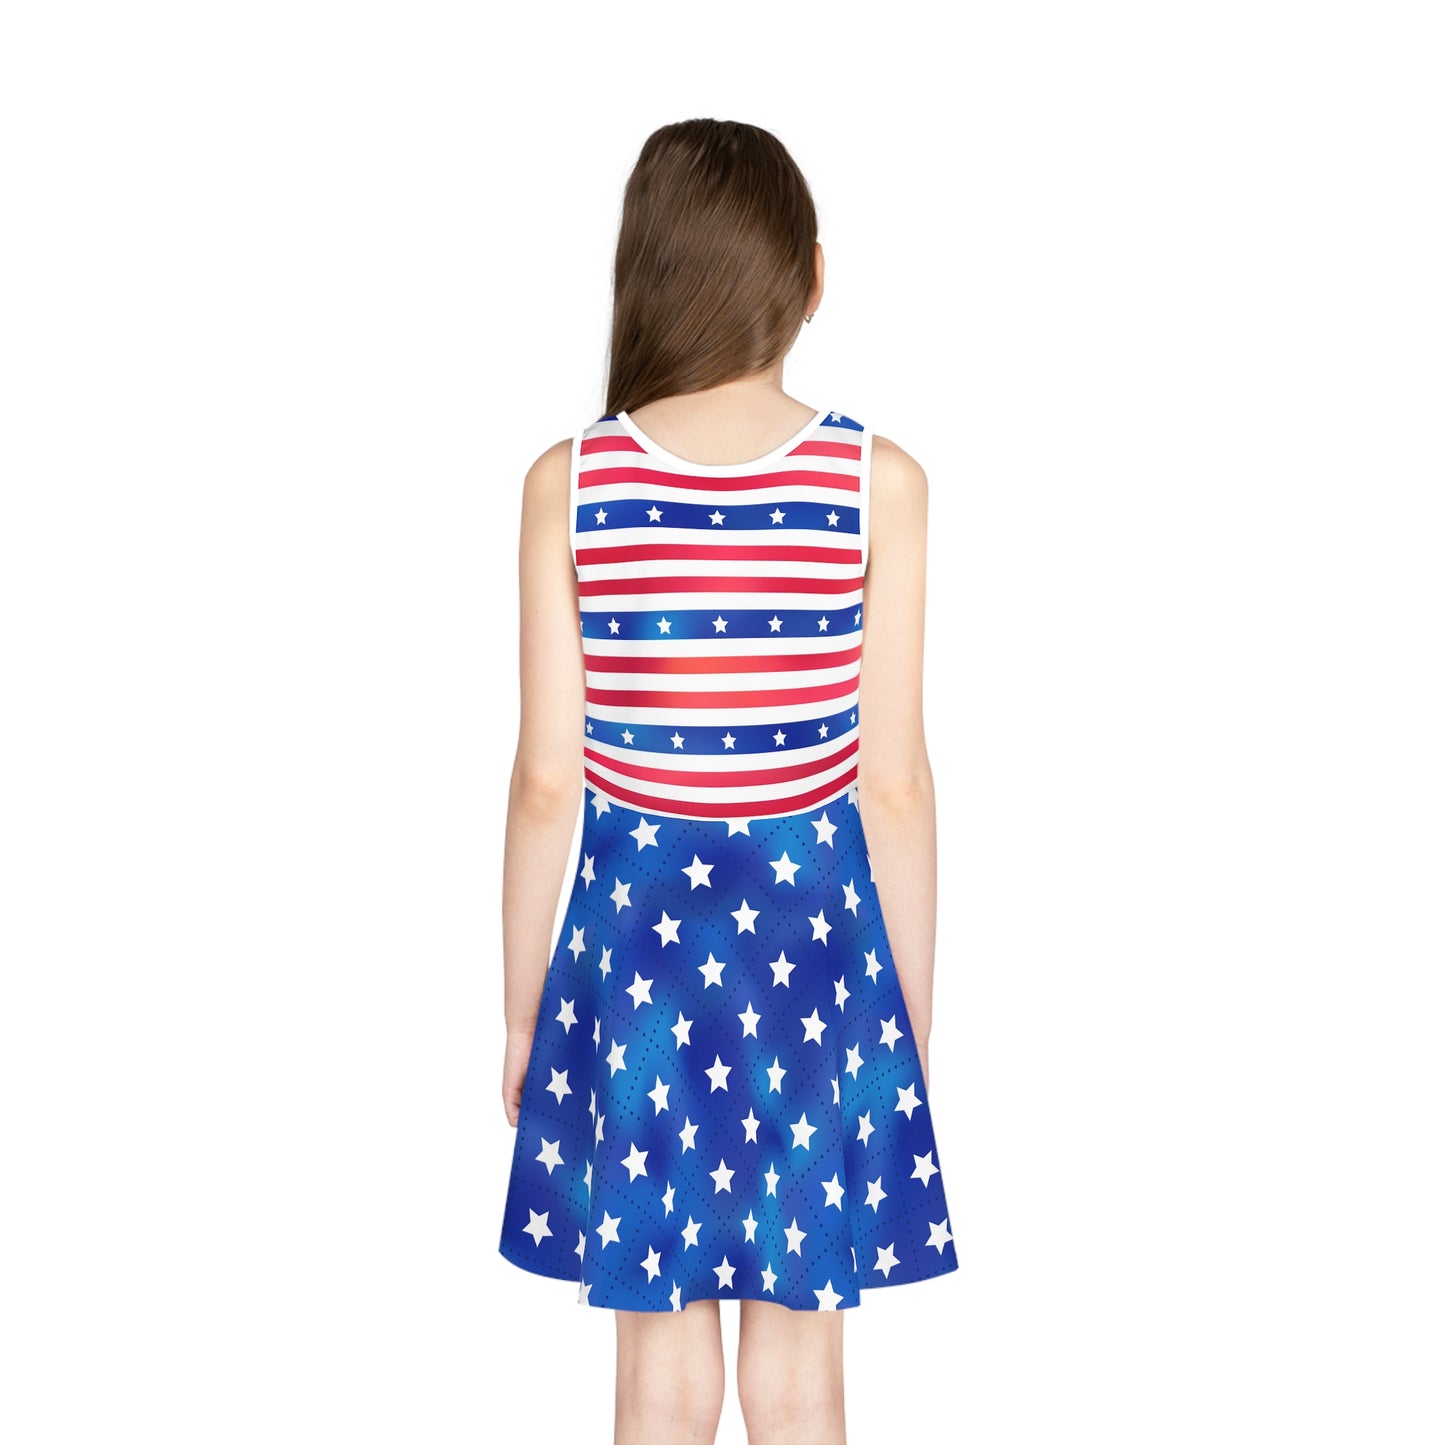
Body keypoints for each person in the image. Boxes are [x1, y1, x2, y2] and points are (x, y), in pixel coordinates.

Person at [496, 118, 956, 1445]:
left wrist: (523, 1013)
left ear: (642, 275)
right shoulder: (876, 481)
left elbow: (545, 780)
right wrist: (908, 1017)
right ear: (809, 279)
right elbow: (894, 783)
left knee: (658, 1361)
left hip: (638, 945)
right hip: (816, 953)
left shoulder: (569, 483)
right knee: (802, 1367)